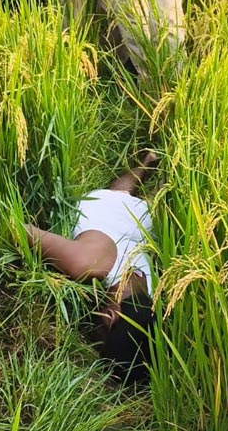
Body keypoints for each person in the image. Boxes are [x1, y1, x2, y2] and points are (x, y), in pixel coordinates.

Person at [23, 151, 161, 384]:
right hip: (107, 206)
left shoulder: (154, 290)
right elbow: (21, 230)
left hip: (144, 223)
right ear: (110, 316)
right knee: (120, 194)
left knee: (139, 198)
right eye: (97, 335)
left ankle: (152, 164)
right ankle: (149, 163)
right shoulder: (89, 263)